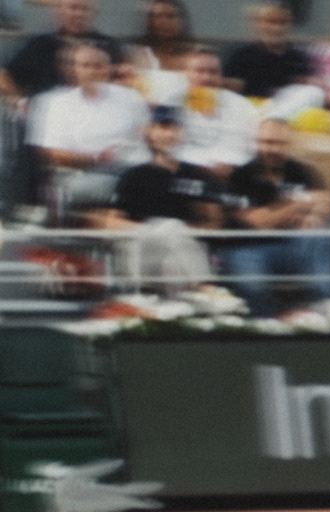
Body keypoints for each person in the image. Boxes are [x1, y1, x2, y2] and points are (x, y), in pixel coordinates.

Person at [221, 118, 330, 317]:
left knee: (324, 230)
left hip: (293, 245)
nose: (269, 149)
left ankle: (328, 307)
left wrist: (315, 215)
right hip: (248, 247)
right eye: (264, 142)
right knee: (251, 283)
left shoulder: (302, 171)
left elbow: (327, 203)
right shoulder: (241, 176)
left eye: (277, 143)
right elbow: (261, 223)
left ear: (289, 144)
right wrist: (301, 203)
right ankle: (264, 324)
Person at [100, 105, 221, 293]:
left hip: (183, 252)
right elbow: (111, 223)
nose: (169, 134)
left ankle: (189, 300)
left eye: (174, 128)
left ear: (182, 134)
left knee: (174, 243)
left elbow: (214, 224)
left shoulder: (197, 174)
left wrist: (180, 232)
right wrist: (157, 230)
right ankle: (206, 290)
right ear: (149, 132)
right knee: (169, 228)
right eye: (162, 128)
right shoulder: (133, 176)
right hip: (141, 250)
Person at [32, 44, 152, 216]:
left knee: (153, 181)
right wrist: (96, 158)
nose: (92, 71)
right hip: (84, 174)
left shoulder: (130, 97)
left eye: (98, 65)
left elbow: (148, 135)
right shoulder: (58, 104)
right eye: (85, 66)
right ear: (74, 70)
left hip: (133, 168)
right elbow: (53, 154)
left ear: (109, 68)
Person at [0, 0, 124, 100]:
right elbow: (4, 78)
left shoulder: (108, 45)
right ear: (57, 12)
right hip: (50, 114)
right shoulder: (40, 45)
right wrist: (20, 102)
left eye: (84, 9)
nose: (79, 14)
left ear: (95, 13)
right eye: (73, 8)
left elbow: (126, 80)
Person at [174, 47, 262, 181]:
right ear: (186, 73)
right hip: (186, 173)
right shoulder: (173, 103)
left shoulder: (242, 105)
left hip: (235, 174)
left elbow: (253, 147)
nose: (206, 77)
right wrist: (202, 167)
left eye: (213, 72)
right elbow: (167, 147)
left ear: (221, 75)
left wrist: (230, 165)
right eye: (199, 71)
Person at [223, 2, 316, 102]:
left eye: (283, 22)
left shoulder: (298, 58)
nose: (277, 28)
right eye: (271, 22)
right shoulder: (240, 57)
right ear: (257, 23)